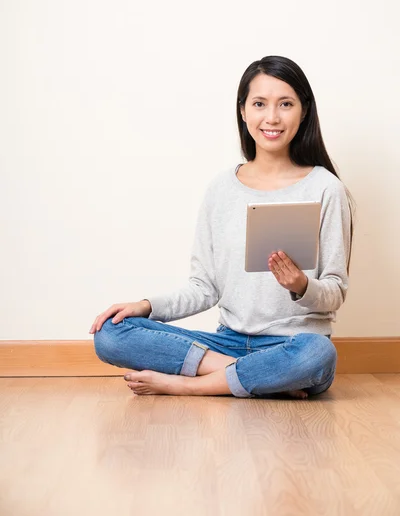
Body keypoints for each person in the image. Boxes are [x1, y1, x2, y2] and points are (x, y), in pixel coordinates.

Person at [89, 55, 355, 399]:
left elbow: (336, 289)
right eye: (259, 104)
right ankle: (258, 379)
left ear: (303, 110)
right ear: (243, 111)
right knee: (110, 334)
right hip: (227, 341)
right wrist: (146, 306)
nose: (272, 117)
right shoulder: (222, 189)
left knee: (318, 355)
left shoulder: (325, 187)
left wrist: (302, 285)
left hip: (292, 345)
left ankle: (189, 385)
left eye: (285, 104)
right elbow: (204, 289)